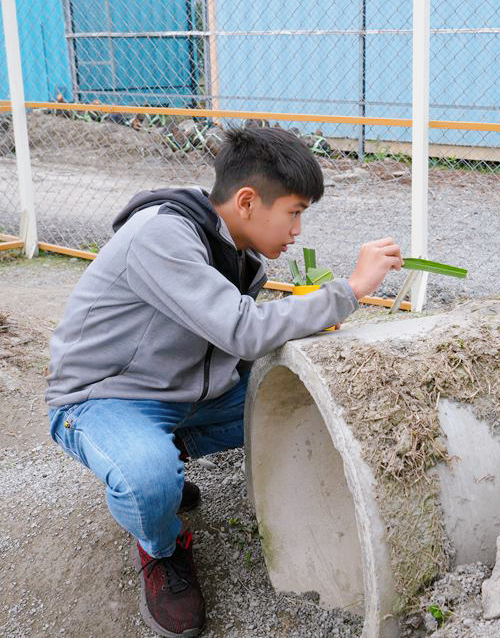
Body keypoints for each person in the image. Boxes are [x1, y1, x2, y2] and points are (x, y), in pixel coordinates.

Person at [45, 127, 403, 638]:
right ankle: (161, 545)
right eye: (295, 211)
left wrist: (308, 320)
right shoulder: (161, 235)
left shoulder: (232, 249)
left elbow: (230, 334)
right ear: (248, 201)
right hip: (105, 397)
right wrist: (350, 290)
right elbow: (241, 328)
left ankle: (167, 451)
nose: (298, 229)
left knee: (303, 400)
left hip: (188, 393)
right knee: (147, 480)